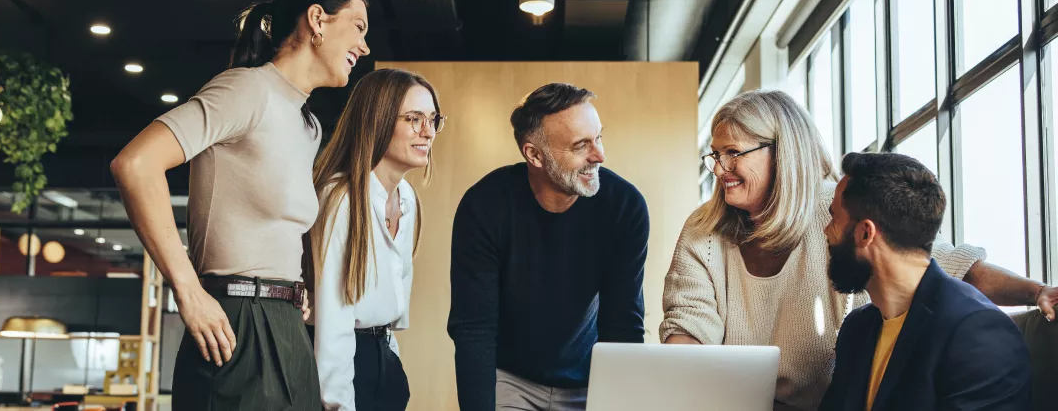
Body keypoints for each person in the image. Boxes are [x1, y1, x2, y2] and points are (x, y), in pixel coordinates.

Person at [662, 90, 1055, 411]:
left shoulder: (838, 208)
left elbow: (941, 266)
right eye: (716, 154)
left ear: (782, 152)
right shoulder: (705, 231)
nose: (719, 168)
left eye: (733, 153)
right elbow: (687, 330)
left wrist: (1037, 291)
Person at [109, 0, 370, 410]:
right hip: (235, 324)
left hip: (286, 324)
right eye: (358, 27)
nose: (364, 46)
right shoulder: (247, 89)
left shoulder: (307, 124)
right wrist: (188, 290)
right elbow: (136, 165)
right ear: (317, 20)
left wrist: (290, 291)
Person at [448, 83, 651, 411]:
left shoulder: (624, 206)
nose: (599, 155)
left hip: (590, 377)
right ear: (534, 155)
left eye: (598, 138)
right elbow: (474, 328)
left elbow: (623, 322)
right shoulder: (485, 206)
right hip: (510, 377)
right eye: (581, 145)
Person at [818, 152, 1031, 411]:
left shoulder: (978, 334)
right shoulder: (857, 329)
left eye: (834, 218)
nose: (826, 230)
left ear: (865, 233)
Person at [308, 68, 444, 410]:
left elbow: (389, 309)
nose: (428, 132)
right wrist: (338, 405)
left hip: (383, 359)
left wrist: (391, 362)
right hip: (342, 363)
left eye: (433, 119)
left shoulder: (407, 198)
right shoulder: (341, 198)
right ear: (377, 120)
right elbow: (333, 320)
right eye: (414, 119)